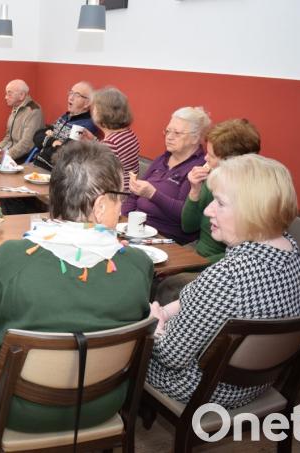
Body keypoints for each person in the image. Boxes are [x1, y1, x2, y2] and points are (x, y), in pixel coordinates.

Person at [0, 141, 153, 433]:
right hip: (102, 402)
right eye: (121, 197)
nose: (124, 205)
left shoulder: (11, 259)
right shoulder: (138, 264)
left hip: (19, 410)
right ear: (101, 205)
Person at [146, 154, 300, 408]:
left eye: (219, 203)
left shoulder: (228, 276)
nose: (207, 209)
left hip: (207, 389)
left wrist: (155, 324)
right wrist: (168, 311)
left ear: (252, 211)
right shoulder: (292, 253)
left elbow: (169, 356)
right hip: (259, 381)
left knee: (124, 353)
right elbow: (205, 300)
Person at [154, 119, 261, 304]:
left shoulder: (253, 195)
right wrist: (194, 190)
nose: (205, 158)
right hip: (197, 253)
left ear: (231, 162)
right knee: (150, 270)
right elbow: (188, 226)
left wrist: (195, 263)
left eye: (211, 155)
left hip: (218, 264)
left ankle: (160, 328)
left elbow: (246, 254)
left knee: (169, 286)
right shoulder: (211, 179)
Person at [121, 106, 211, 244]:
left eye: (177, 133)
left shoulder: (198, 169)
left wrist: (153, 194)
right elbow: (134, 195)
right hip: (136, 231)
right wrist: (123, 221)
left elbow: (184, 215)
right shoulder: (162, 158)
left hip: (165, 238)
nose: (169, 137)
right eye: (168, 131)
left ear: (195, 138)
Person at [32, 81, 100, 171]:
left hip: (54, 172)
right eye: (71, 93)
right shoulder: (65, 117)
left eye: (77, 95)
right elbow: (37, 135)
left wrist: (47, 142)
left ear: (87, 103)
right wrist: (53, 142)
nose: (71, 97)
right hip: (38, 164)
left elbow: (63, 153)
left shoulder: (85, 126)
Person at [84, 87, 141, 185]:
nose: (92, 111)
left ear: (102, 113)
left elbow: (99, 176)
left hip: (116, 193)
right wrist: (94, 139)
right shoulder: (128, 134)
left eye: (95, 108)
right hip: (129, 189)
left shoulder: (110, 143)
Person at [0, 79, 43, 162]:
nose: (5, 97)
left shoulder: (34, 111)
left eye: (9, 94)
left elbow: (26, 144)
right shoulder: (16, 107)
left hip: (23, 158)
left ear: (21, 95)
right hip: (11, 154)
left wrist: (5, 156)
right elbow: (8, 137)